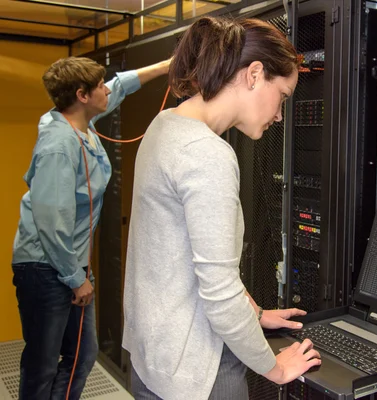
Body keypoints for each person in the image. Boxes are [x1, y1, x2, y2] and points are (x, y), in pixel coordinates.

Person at [122, 16, 321, 400]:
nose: (279, 114)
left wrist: (257, 314)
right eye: (282, 95)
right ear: (254, 74)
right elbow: (219, 291)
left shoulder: (164, 125)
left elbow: (190, 261)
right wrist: (276, 368)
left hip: (155, 359)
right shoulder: (208, 155)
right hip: (199, 370)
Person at [11, 56, 171, 399]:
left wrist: (165, 67)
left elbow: (120, 87)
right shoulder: (58, 146)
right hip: (46, 268)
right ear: (82, 95)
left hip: (70, 266)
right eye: (99, 85)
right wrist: (75, 278)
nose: (106, 89)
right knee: (42, 365)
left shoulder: (82, 121)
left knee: (81, 358)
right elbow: (51, 224)